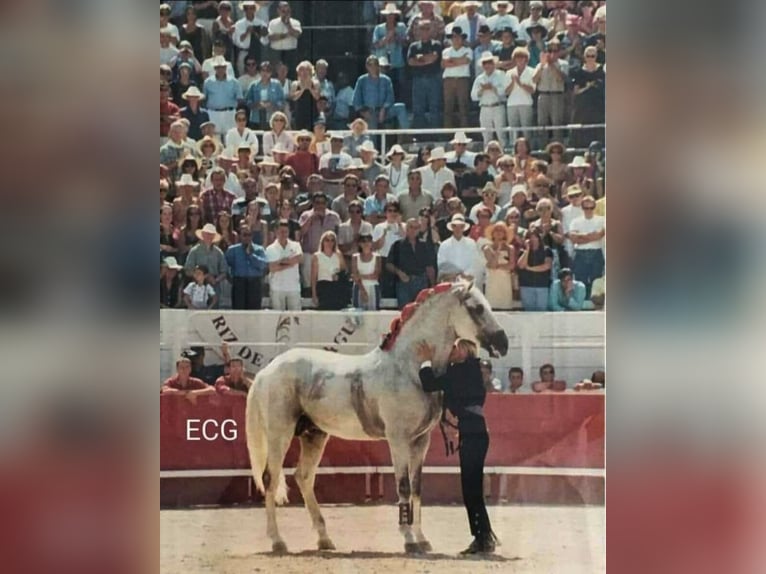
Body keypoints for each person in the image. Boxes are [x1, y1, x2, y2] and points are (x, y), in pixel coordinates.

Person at [416, 338, 499, 555]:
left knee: (471, 489)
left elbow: (429, 383)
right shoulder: (470, 370)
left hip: (472, 433)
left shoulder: (460, 371)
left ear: (463, 350)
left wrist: (426, 361)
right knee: (472, 489)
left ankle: (483, 538)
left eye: (454, 348)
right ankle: (483, 537)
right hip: (475, 432)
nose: (451, 351)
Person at [352, 55, 409, 130]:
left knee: (401, 107)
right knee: (372, 131)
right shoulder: (362, 80)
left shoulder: (386, 80)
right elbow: (356, 99)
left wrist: (384, 109)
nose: (373, 67)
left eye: (375, 64)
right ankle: (372, 141)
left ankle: (407, 135)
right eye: (370, 64)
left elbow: (390, 97)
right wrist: (363, 112)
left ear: (378, 66)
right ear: (366, 66)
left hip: (385, 111)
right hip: (369, 111)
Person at [387, 218, 434, 309]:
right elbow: (389, 264)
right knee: (405, 311)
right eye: (411, 227)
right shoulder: (397, 245)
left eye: (416, 228)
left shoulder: (424, 245)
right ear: (406, 229)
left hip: (421, 282)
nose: (413, 230)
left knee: (421, 311)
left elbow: (429, 267)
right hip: (404, 283)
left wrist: (432, 285)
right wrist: (399, 273)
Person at [407, 19, 443, 129]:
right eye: (422, 28)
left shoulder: (436, 44)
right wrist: (425, 59)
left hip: (434, 79)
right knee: (418, 109)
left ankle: (435, 134)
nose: (424, 31)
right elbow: (410, 62)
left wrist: (419, 59)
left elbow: (433, 58)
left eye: (427, 28)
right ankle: (419, 135)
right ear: (418, 30)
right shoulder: (413, 46)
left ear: (431, 30)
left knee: (434, 107)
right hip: (418, 80)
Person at [532, 39, 569, 146]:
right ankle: (543, 149)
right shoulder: (540, 65)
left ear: (559, 51)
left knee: (557, 124)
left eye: (555, 50)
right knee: (542, 124)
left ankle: (558, 148)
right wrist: (543, 65)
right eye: (550, 50)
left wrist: (552, 65)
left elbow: (561, 79)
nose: (552, 53)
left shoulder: (563, 64)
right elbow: (534, 80)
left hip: (557, 95)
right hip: (543, 95)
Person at [567, 194, 605, 298]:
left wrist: (581, 237)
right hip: (580, 253)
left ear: (594, 207)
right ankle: (581, 301)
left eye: (591, 207)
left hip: (596, 252)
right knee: (580, 279)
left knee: (595, 279)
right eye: (586, 207)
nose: (589, 210)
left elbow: (600, 235)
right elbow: (573, 238)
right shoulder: (576, 221)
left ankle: (593, 301)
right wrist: (590, 236)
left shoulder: (602, 220)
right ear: (582, 207)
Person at [225, 224, 269, 310]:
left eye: (249, 235)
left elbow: (263, 265)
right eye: (244, 235)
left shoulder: (259, 250)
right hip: (239, 284)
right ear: (240, 236)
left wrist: (251, 255)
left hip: (254, 284)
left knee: (254, 313)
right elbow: (225, 266)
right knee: (238, 312)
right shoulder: (232, 250)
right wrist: (231, 279)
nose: (247, 237)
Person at [570, 45, 605, 147]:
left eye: (593, 56)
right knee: (583, 133)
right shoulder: (579, 72)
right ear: (584, 57)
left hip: (599, 107)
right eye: (588, 56)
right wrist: (587, 87)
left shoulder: (602, 71)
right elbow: (576, 91)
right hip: (583, 108)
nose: (590, 58)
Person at [471, 52, 508, 148]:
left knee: (501, 135)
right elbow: (473, 96)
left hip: (498, 106)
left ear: (493, 63)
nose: (487, 65)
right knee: (486, 136)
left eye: (489, 62)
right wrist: (482, 90)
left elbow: (505, 92)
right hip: (484, 108)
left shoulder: (501, 75)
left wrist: (493, 88)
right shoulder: (479, 78)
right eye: (485, 63)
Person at [184, 223, 228, 305]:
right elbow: (187, 269)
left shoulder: (218, 252)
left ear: (214, 237)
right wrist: (199, 277)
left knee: (214, 313)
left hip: (213, 286)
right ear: (203, 235)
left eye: (211, 234)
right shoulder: (195, 251)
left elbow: (224, 271)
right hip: (197, 287)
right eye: (207, 234)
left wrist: (215, 280)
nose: (209, 236)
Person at [371, 3, 408, 99]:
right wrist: (387, 38)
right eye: (388, 15)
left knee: (399, 86)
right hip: (383, 62)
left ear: (395, 16)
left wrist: (396, 37)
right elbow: (376, 45)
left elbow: (405, 43)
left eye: (392, 15)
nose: (390, 17)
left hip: (398, 62)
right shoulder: (379, 29)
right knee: (383, 85)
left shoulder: (401, 27)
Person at [265, 220, 303, 311]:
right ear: (276, 232)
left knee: (296, 318)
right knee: (278, 318)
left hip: (293, 287)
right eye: (281, 231)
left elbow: (300, 259)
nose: (284, 234)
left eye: (286, 231)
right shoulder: (270, 248)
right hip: (277, 288)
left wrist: (280, 262)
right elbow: (272, 268)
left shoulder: (296, 245)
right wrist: (290, 263)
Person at [371, 199, 405, 298]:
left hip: (399, 260)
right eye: (390, 210)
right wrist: (383, 235)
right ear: (385, 212)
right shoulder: (379, 227)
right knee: (386, 287)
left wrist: (399, 225)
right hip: (384, 259)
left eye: (395, 211)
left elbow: (407, 240)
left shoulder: (403, 226)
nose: (392, 213)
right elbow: (376, 247)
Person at [203, 56, 243, 137]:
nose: (220, 70)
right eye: (218, 67)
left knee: (231, 137)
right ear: (214, 68)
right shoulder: (208, 82)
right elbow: (204, 98)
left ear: (226, 68)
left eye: (222, 67)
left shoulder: (234, 82)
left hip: (230, 113)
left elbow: (240, 99)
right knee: (214, 138)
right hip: (213, 113)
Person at [441, 27, 473, 129]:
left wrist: (452, 61)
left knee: (463, 106)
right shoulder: (446, 51)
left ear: (462, 39)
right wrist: (459, 60)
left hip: (462, 80)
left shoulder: (468, 50)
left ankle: (465, 131)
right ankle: (447, 132)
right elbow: (444, 64)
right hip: (448, 80)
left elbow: (466, 61)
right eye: (454, 37)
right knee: (448, 107)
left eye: (458, 37)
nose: (456, 39)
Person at [437, 214, 482, 283]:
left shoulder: (471, 243)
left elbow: (475, 262)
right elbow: (442, 264)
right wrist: (454, 274)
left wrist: (465, 274)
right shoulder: (444, 245)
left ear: (464, 227)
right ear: (452, 227)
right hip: (450, 281)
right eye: (455, 226)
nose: (458, 229)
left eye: (461, 226)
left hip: (468, 281)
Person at [504, 47, 536, 143]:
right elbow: (506, 92)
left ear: (526, 59)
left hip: (526, 103)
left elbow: (532, 90)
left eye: (522, 57)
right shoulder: (509, 72)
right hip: (512, 104)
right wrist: (513, 82)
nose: (520, 59)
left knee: (526, 131)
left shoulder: (532, 71)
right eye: (517, 57)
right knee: (513, 131)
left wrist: (520, 83)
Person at [516, 228, 552, 311]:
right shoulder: (523, 251)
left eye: (535, 237)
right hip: (526, 285)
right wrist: (527, 249)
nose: (532, 239)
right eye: (530, 237)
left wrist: (529, 268)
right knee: (528, 312)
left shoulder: (546, 250)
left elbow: (547, 266)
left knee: (542, 312)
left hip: (542, 286)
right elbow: (521, 265)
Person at [311, 230, 348, 310]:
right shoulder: (317, 256)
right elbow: (314, 277)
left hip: (336, 287)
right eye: (327, 240)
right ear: (322, 241)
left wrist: (339, 276)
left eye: (332, 240)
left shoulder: (338, 254)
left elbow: (344, 271)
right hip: (323, 287)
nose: (329, 243)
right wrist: (314, 294)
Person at [482, 221, 515, 310]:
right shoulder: (487, 248)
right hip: (492, 282)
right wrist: (498, 250)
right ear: (492, 233)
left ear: (505, 234)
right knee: (492, 308)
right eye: (496, 230)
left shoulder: (510, 248)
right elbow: (492, 265)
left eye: (502, 230)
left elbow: (511, 265)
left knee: (506, 308)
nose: (499, 232)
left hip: (505, 282)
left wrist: (498, 267)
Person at [232, 0, 269, 76]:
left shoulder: (261, 23)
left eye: (251, 8)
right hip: (244, 53)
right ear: (244, 10)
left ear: (255, 9)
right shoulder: (239, 24)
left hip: (257, 54)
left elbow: (265, 41)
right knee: (242, 74)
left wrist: (262, 34)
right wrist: (247, 32)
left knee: (258, 75)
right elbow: (237, 41)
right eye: (246, 8)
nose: (249, 10)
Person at [268, 1, 303, 71]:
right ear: (278, 11)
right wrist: (287, 35)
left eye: (287, 11)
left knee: (291, 73)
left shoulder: (295, 22)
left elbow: (297, 35)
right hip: (276, 53)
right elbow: (271, 37)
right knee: (275, 73)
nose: (285, 13)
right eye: (283, 11)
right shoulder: (272, 23)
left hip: (290, 53)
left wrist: (288, 25)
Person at [351, 234, 381, 311]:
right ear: (359, 244)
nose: (366, 244)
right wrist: (362, 290)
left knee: (373, 315)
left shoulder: (377, 257)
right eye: (363, 241)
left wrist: (360, 276)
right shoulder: (355, 257)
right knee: (358, 315)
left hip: (373, 287)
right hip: (359, 288)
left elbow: (376, 276)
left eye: (368, 241)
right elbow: (354, 276)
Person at [290, 60, 320, 131]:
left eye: (307, 70)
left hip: (313, 114)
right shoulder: (295, 84)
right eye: (302, 70)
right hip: (299, 114)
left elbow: (317, 97)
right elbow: (293, 98)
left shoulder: (315, 83)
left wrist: (310, 88)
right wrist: (302, 89)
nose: (304, 72)